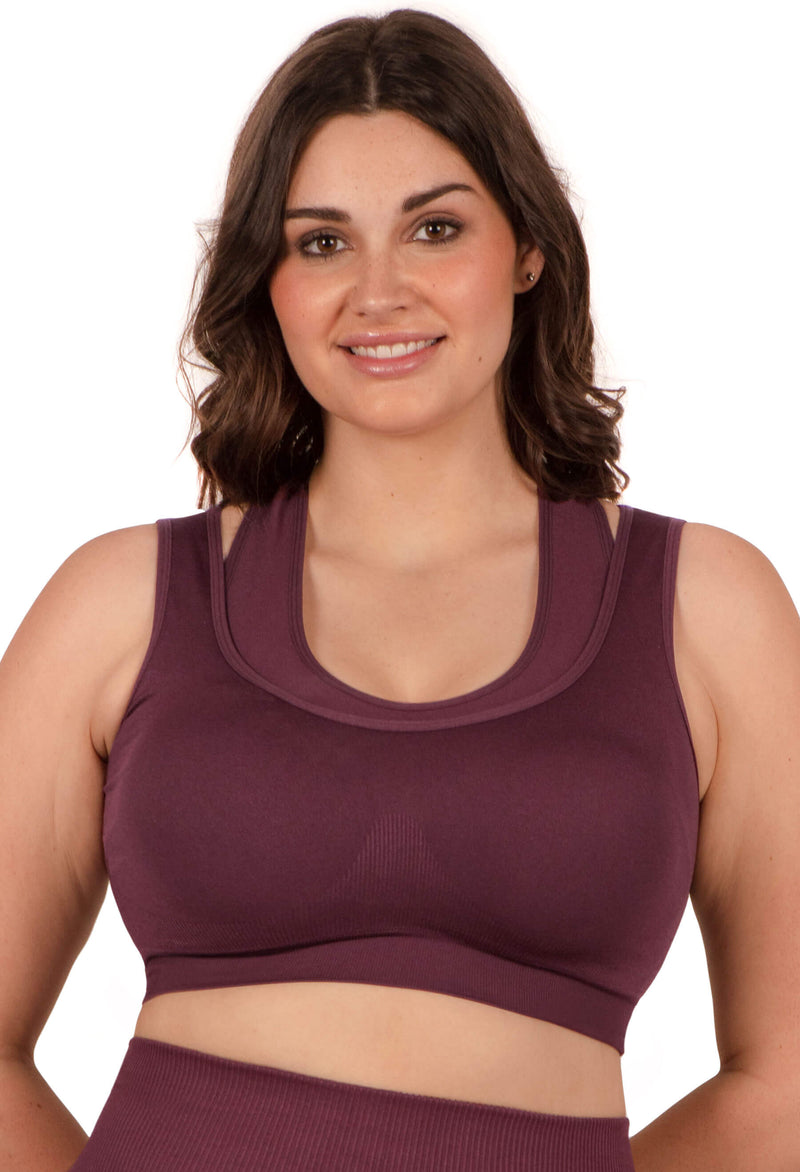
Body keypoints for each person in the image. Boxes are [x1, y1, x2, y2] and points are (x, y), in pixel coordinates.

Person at [1, 7, 799, 1170]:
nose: (377, 291)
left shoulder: (705, 610)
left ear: (525, 248)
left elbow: (784, 1087)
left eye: (433, 228)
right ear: (266, 281)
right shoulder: (117, 603)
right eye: (321, 241)